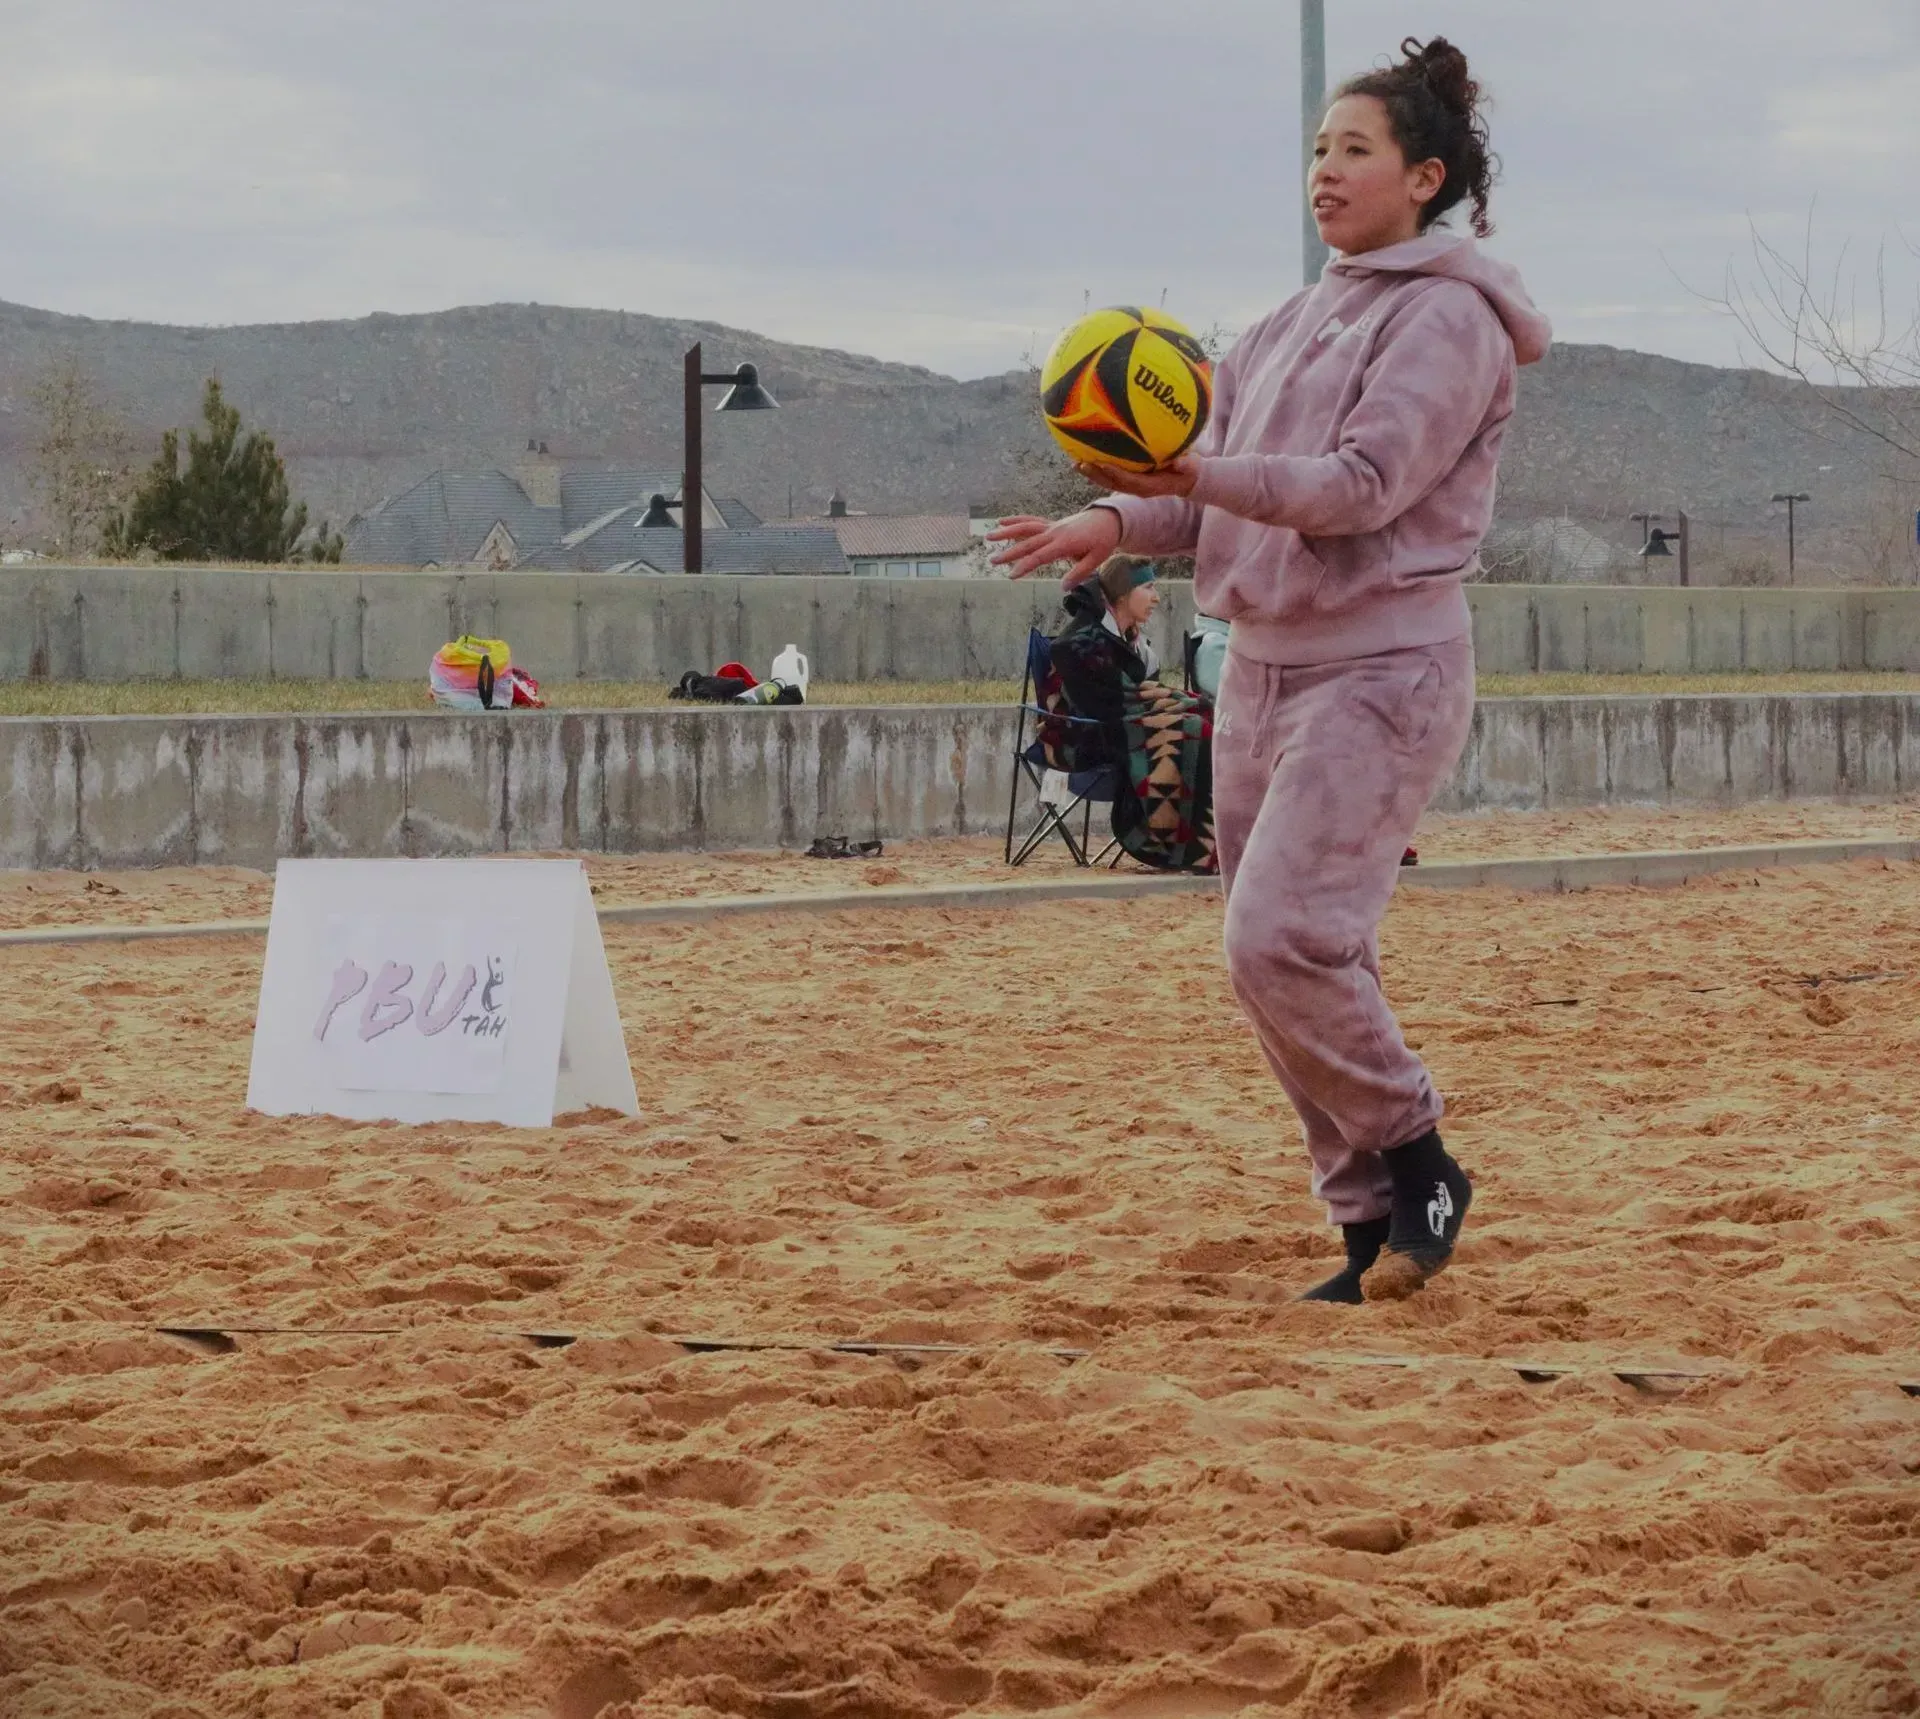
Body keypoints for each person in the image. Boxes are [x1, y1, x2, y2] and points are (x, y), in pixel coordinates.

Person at [990, 37, 1550, 1302]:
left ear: (1427, 177)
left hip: (1383, 667)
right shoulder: (1292, 322)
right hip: (1261, 670)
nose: (1325, 171)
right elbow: (1219, 500)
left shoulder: (1451, 320)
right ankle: (1367, 1231)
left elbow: (1357, 491)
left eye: (1355, 150)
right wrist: (1115, 520)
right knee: (1264, 959)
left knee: (1286, 934)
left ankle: (1421, 1157)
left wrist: (1189, 478)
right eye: (1317, 149)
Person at [1048, 559, 1217, 873]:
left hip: (1116, 729)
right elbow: (1107, 704)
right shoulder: (1080, 641)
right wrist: (1176, 703)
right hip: (1083, 739)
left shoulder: (1131, 643)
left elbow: (1135, 696)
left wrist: (1176, 702)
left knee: (1204, 719)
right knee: (1192, 726)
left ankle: (1209, 842)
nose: (1156, 597)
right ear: (1123, 594)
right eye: (1148, 587)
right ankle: (1183, 847)